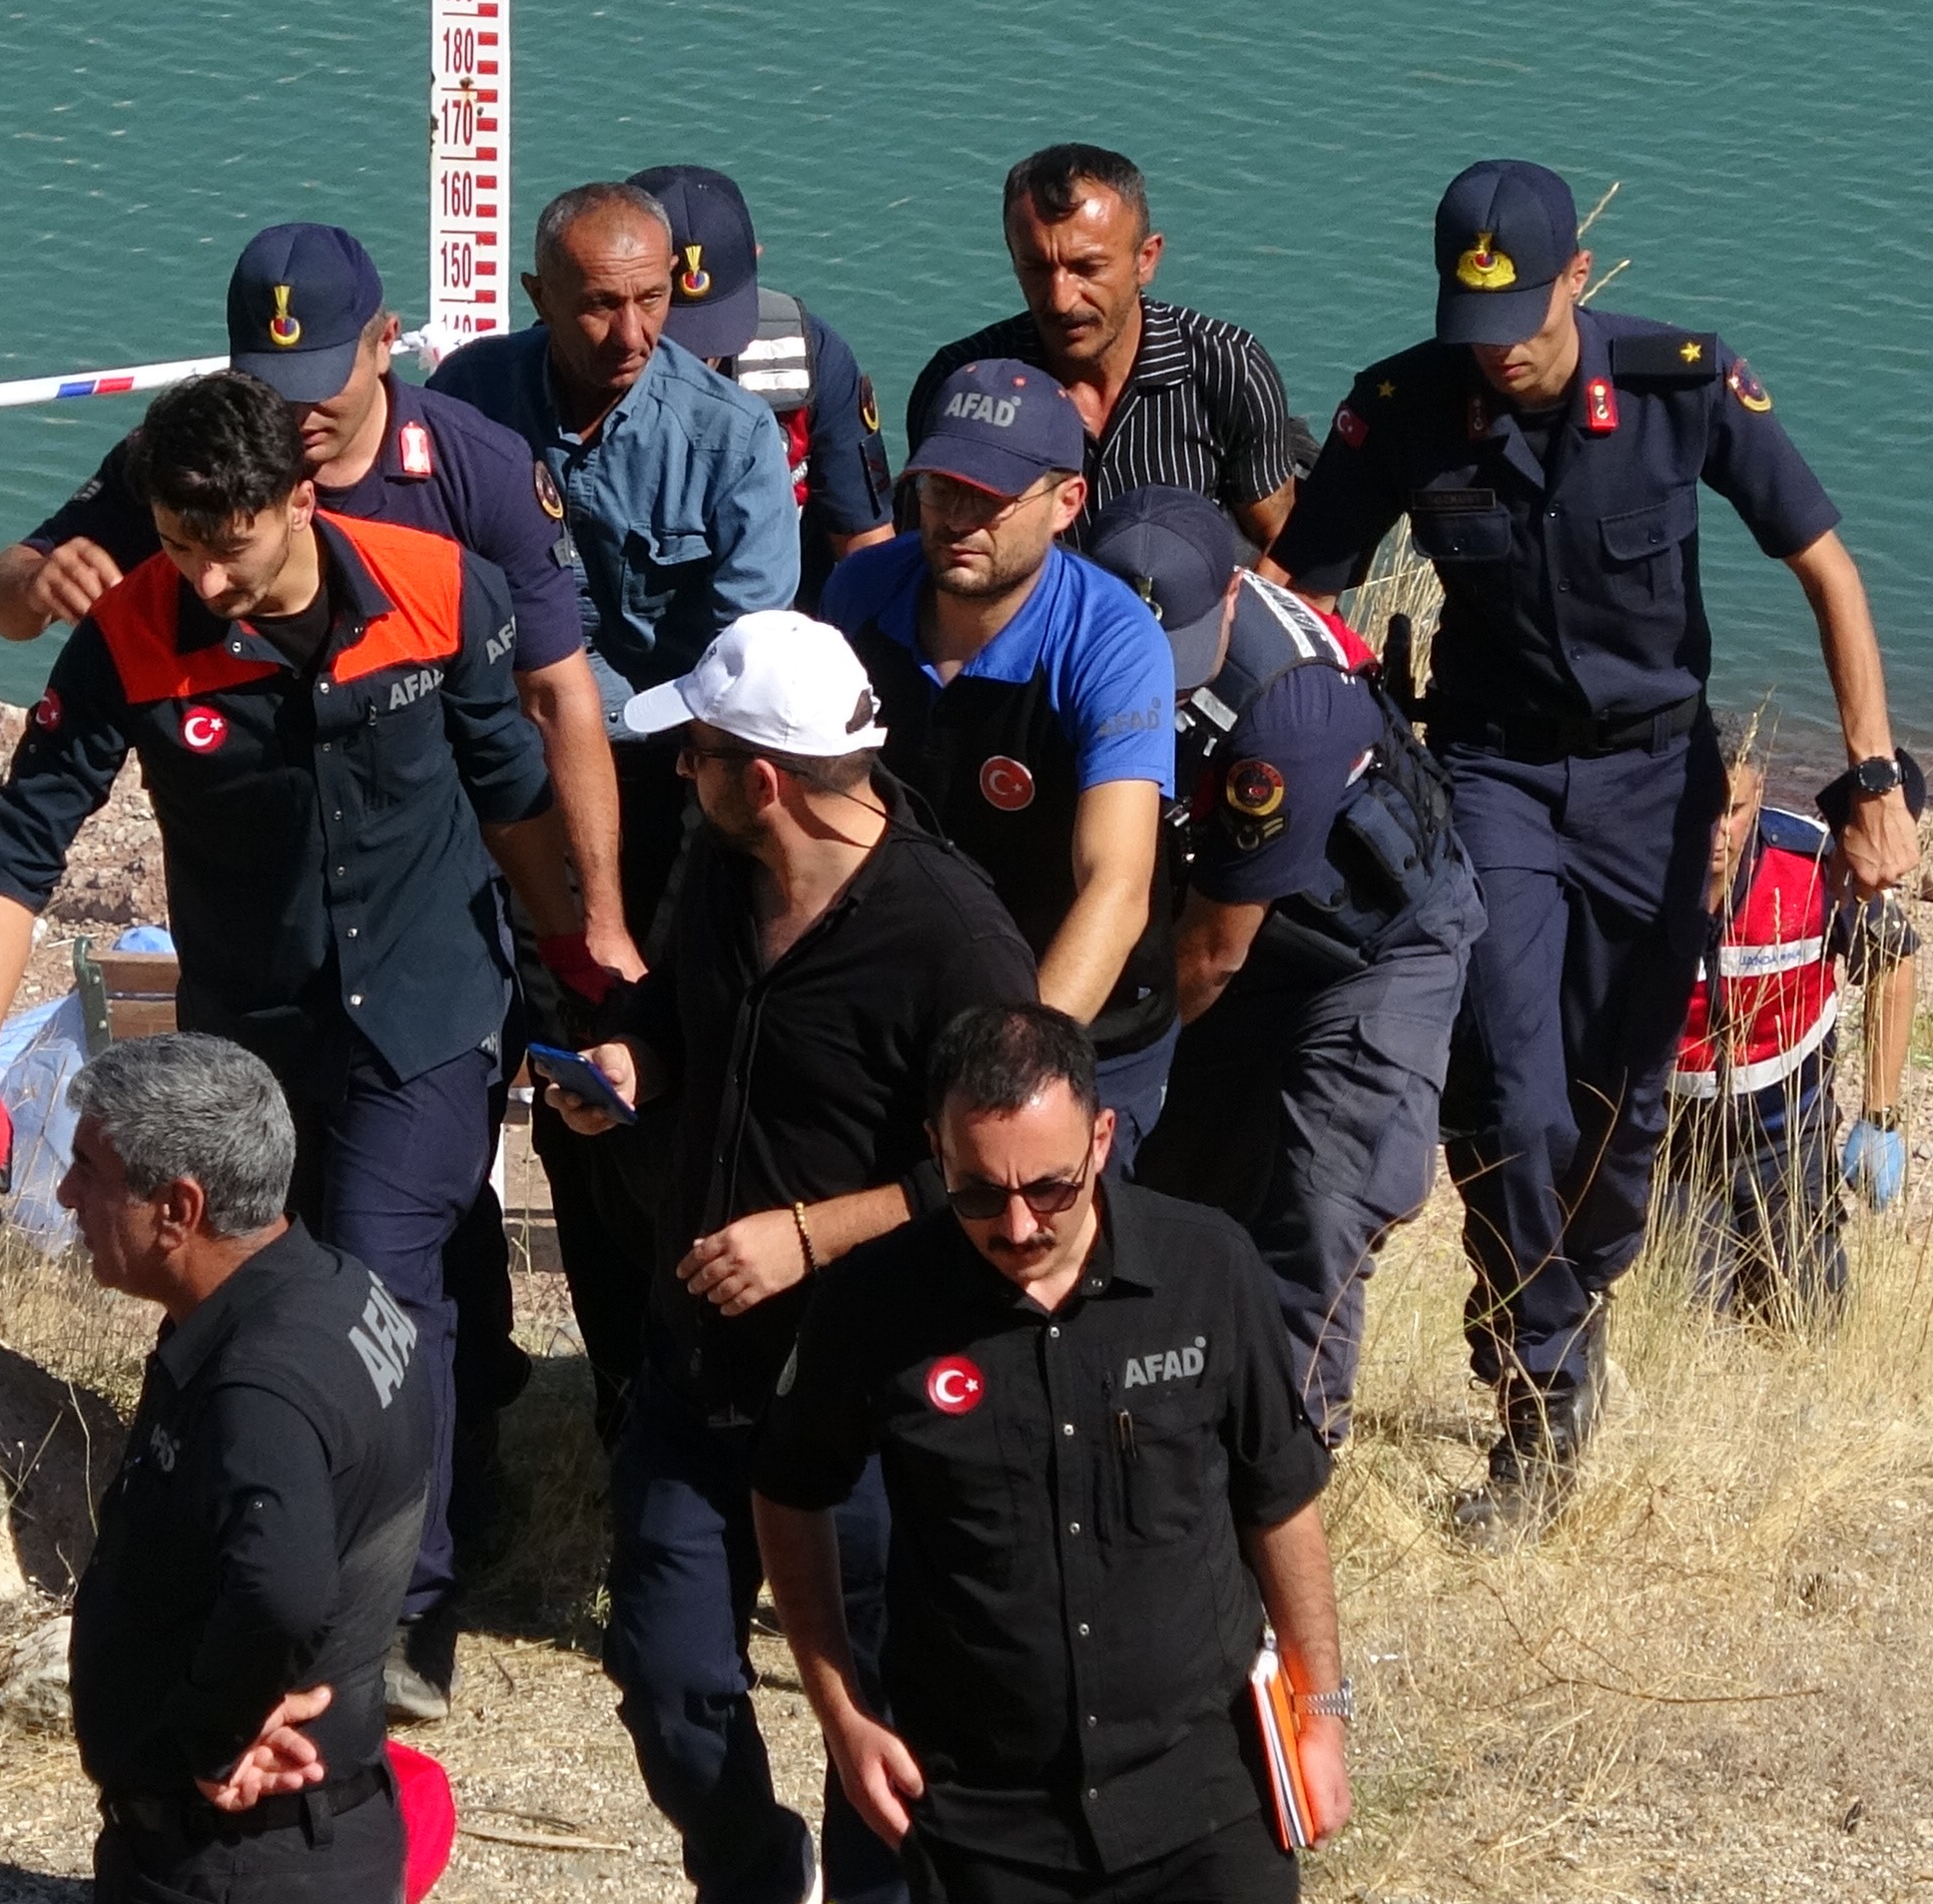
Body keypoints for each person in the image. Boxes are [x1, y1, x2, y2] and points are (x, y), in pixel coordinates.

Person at [1270, 158, 1920, 1542]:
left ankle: (1578, 1296)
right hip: (1494, 771)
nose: (1493, 355)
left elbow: (1827, 568)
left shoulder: (1684, 389)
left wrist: (1870, 779)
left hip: (1655, 786)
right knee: (1509, 1093)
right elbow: (1298, 592)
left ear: (1578, 279)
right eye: (1468, 325)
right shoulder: (1404, 408)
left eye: (1519, 322)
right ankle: (1537, 1397)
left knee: (1625, 1111)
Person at [0, 371, 580, 1710]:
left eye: (230, 541)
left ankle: (401, 1622)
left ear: (302, 496)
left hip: (430, 1007)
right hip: (253, 1028)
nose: (207, 576)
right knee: (288, 1290)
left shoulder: (437, 590)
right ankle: (366, 1519)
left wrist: (583, 969)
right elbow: (17, 848)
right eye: (178, 541)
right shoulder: (130, 635)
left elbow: (516, 798)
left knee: (378, 1281)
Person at [547, 610, 1037, 1904]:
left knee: (873, 1715)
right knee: (667, 1682)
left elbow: (1005, 1182)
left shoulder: (955, 940)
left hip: (867, 1405)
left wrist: (810, 1236)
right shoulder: (719, 869)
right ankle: (759, 1876)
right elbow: (665, 1005)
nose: (677, 771)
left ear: (760, 776)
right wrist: (628, 1060)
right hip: (695, 1371)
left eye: (693, 750)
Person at [755, 1003, 1349, 1904]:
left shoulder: (1207, 1270)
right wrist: (843, 1715)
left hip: (1208, 1799)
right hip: (982, 1819)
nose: (1020, 1224)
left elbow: (1280, 1499)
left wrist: (1322, 1716)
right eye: (980, 1194)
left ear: (1102, 1139)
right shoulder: (873, 1305)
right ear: (936, 1154)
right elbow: (790, 1489)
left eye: (1051, 1188)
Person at [0, 222, 642, 989]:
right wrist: (33, 586)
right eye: (271, 381)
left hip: (450, 850)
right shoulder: (189, 463)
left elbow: (558, 696)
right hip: (266, 880)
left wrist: (600, 920)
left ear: (385, 341)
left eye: (323, 376)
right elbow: (5, 600)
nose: (296, 412)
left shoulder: (480, 471)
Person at [430, 180, 801, 1450]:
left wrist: (579, 704)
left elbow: (739, 655)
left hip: (673, 793)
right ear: (541, 297)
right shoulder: (467, 404)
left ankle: (692, 1380)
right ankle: (585, 1388)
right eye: (599, 304)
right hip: (498, 787)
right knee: (543, 1094)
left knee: (663, 1087)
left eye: (653, 301)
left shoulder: (731, 438)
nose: (632, 332)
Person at [1096, 486, 1485, 1447]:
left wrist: (1098, 1068)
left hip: (1375, 948)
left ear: (1232, 594)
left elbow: (1211, 955)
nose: (1164, 682)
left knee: (1321, 1199)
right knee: (1173, 1177)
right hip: (1236, 923)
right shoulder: (1077, 619)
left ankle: (1288, 1454)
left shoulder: (1289, 705)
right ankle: (1155, 1408)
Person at [57, 1034, 432, 1904]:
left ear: (178, 1210)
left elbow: (280, 1591)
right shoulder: (340, 1291)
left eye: (90, 1172)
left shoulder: (258, 1382)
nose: (66, 1194)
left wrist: (215, 1734)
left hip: (233, 1861)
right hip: (320, 1831)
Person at [819, 361, 1184, 1168]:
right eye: (940, 489)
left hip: (1080, 1015)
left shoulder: (1112, 642)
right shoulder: (860, 593)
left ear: (1067, 505)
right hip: (909, 998)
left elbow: (1115, 888)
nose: (957, 519)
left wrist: (1005, 1073)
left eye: (990, 498)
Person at [906, 145, 1306, 562]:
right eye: (1037, 268)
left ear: (1146, 259)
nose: (1061, 299)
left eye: (1088, 268)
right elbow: (920, 550)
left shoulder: (1227, 369)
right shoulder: (961, 384)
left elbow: (1281, 542)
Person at [1659, 733, 1926, 1324]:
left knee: (1806, 1323)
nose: (1718, 832)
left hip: (1787, 1139)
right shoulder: (1638, 868)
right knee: (1684, 1325)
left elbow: (1894, 958)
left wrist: (1879, 1117)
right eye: (1701, 809)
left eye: (1735, 811)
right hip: (1672, 1146)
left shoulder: (1811, 870)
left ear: (1761, 799)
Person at [628, 164, 897, 606]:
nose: (694, 363)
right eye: (670, 337)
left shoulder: (815, 360)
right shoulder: (565, 365)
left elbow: (867, 551)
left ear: (754, 260)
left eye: (713, 334)